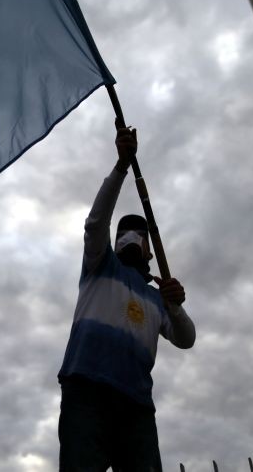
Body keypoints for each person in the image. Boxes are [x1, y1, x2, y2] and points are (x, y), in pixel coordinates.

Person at [57, 127, 196, 472]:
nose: (130, 238)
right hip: (86, 394)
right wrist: (121, 166)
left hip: (136, 407)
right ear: (115, 241)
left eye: (139, 235)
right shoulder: (99, 266)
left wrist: (175, 307)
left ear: (150, 250)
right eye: (123, 233)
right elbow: (95, 223)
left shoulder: (158, 297)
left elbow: (186, 338)